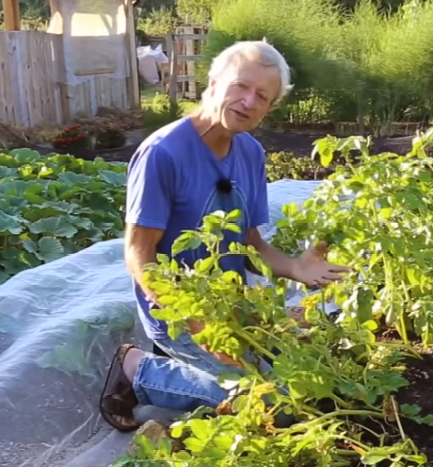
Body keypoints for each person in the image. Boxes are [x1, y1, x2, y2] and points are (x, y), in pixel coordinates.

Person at [99, 40, 349, 432]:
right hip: (180, 316)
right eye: (240, 86)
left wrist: (295, 266)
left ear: (269, 108)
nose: (248, 102)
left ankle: (193, 370)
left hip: (234, 308)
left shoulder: (250, 153)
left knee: (316, 380)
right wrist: (197, 321)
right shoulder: (163, 153)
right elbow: (138, 255)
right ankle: (138, 369)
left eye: (262, 97)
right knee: (276, 407)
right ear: (213, 83)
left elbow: (251, 243)